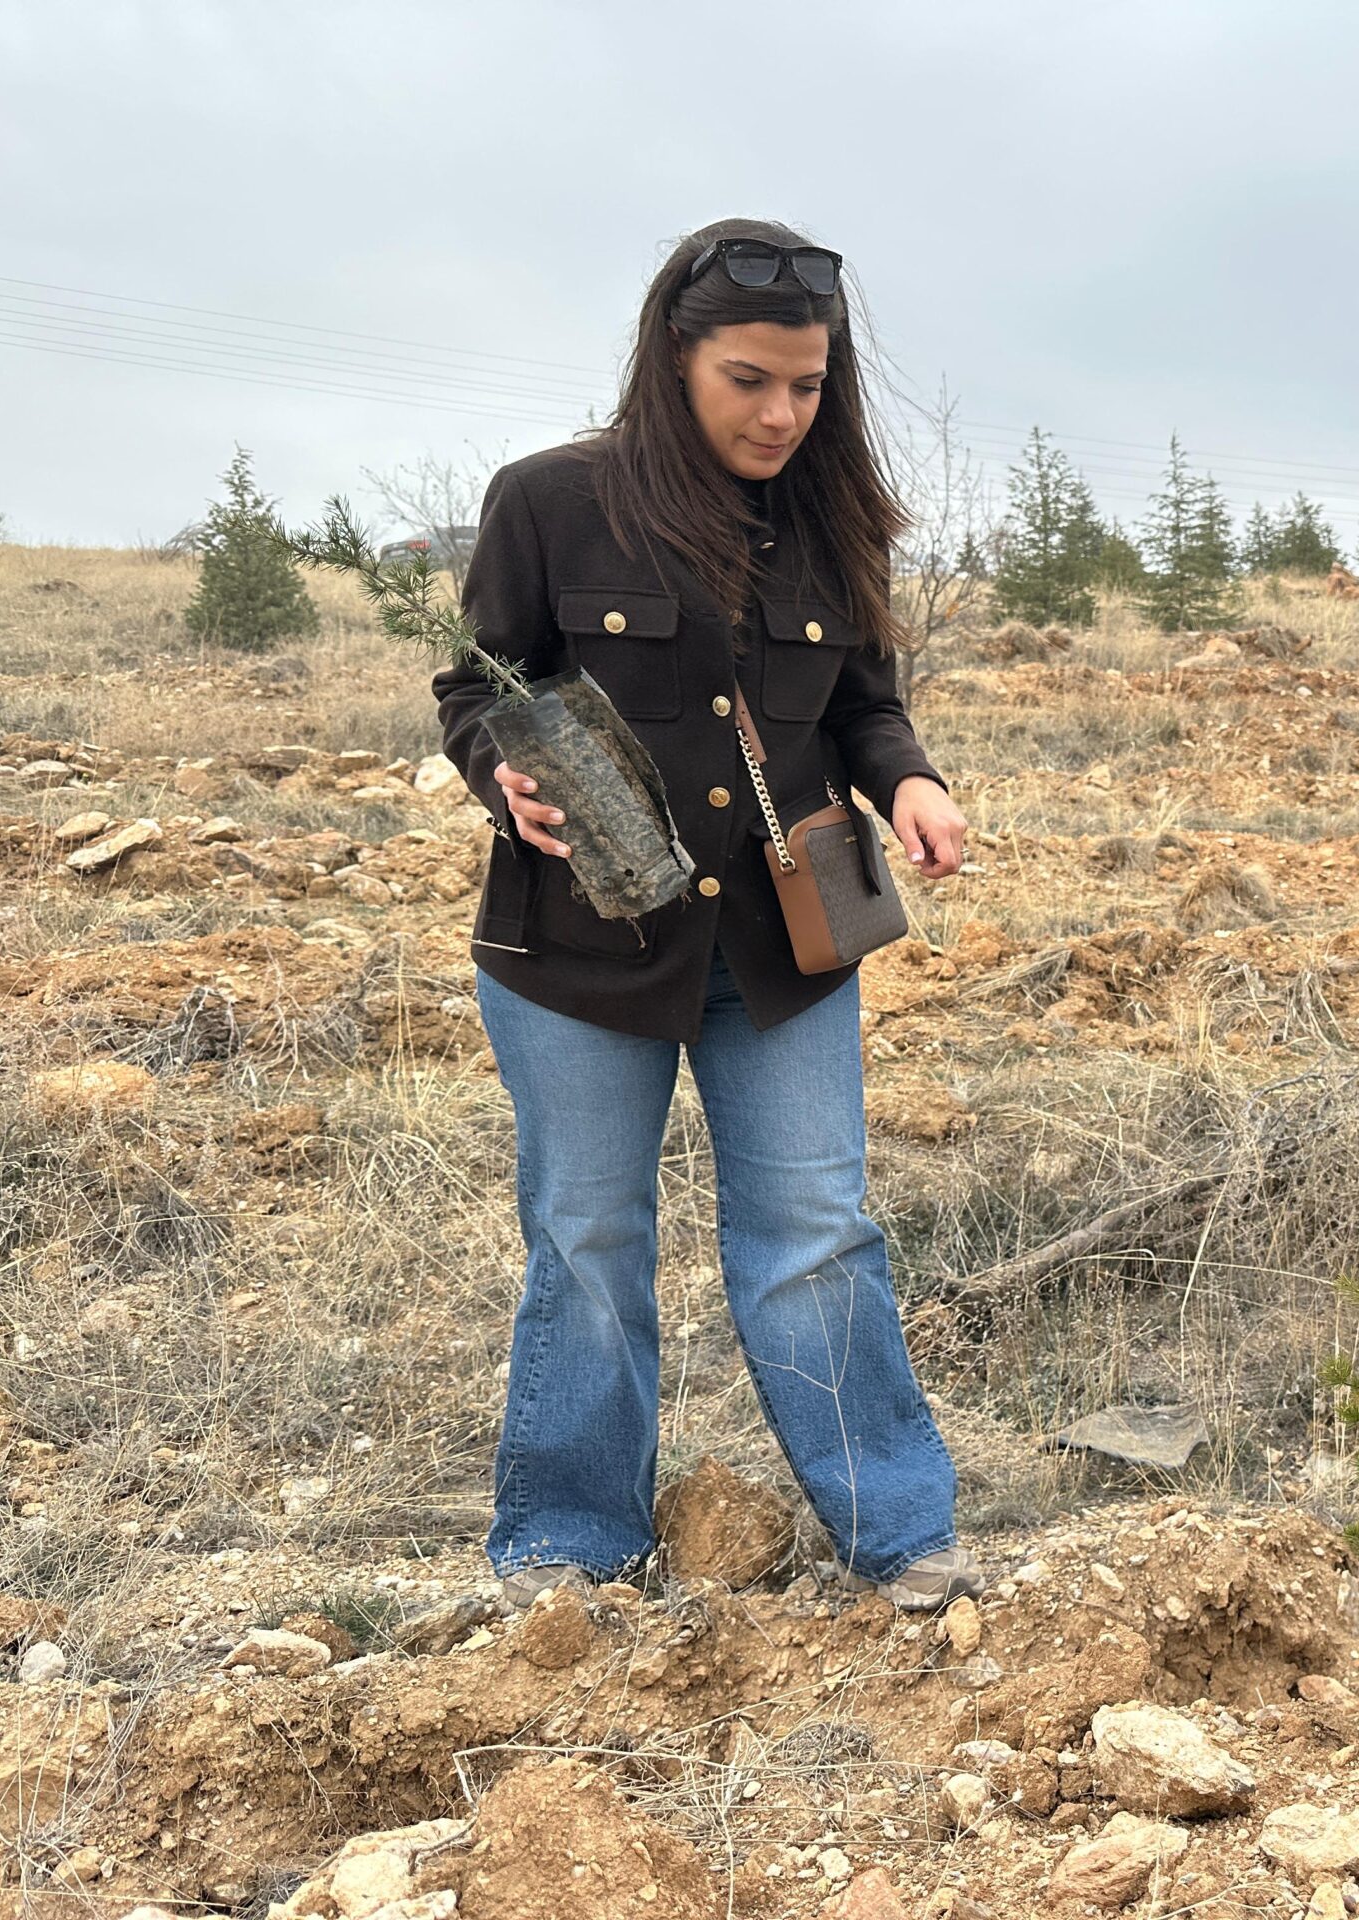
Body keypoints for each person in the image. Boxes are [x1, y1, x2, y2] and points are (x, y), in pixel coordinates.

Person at [434, 217, 978, 1612]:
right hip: (578, 953)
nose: (782, 412)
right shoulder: (550, 501)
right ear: (674, 360)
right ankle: (567, 1548)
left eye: (807, 383)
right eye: (750, 379)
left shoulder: (831, 517)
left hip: (783, 956)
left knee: (817, 1232)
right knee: (588, 1240)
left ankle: (905, 1540)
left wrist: (907, 784)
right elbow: (475, 689)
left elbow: (864, 704)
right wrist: (507, 779)